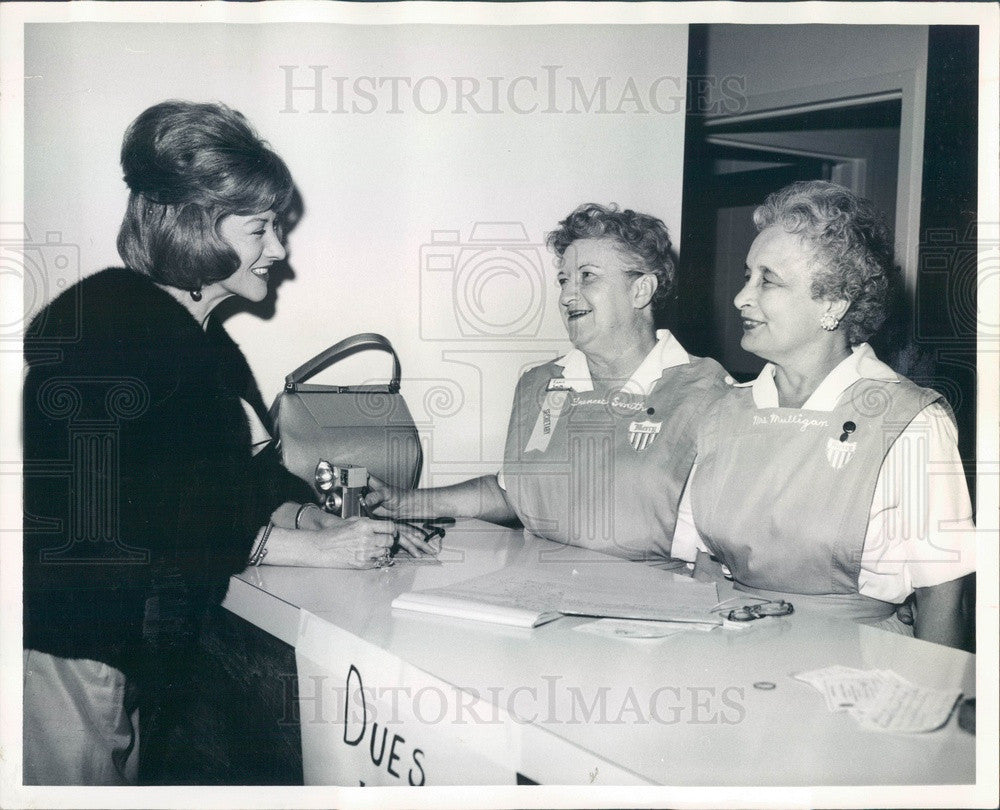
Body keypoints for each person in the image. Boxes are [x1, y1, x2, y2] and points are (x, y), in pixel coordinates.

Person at [22, 101, 436, 785]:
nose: (279, 249)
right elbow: (147, 513)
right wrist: (315, 549)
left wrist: (328, 518)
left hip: (121, 648)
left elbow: (246, 478)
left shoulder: (198, 339)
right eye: (262, 227)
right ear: (194, 226)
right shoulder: (114, 327)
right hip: (74, 643)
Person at [672, 181, 976, 648]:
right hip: (727, 656)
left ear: (833, 304)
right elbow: (702, 567)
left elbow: (943, 600)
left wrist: (930, 710)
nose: (741, 298)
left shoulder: (909, 422)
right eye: (746, 275)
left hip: (860, 668)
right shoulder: (723, 411)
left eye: (768, 280)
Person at [367, 203, 729, 567]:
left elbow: (718, 548)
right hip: (538, 588)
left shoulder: (706, 394)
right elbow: (515, 492)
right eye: (564, 280)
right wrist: (405, 502)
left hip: (650, 603)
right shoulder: (541, 386)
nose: (567, 295)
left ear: (641, 291)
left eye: (587, 276)